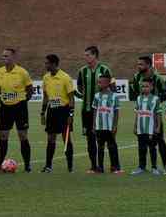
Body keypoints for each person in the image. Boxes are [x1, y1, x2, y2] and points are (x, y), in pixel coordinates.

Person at [0, 49, 33, 173]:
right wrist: (5, 98)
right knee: (3, 136)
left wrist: (23, 101)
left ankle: (27, 166)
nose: (4, 58)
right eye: (3, 56)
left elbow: (29, 89)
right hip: (5, 108)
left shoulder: (22, 72)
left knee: (22, 136)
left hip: (20, 107)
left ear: (13, 57)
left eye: (6, 56)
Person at [129, 56, 166, 172]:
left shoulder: (158, 78)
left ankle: (165, 165)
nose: (138, 67)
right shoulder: (137, 77)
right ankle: (142, 166)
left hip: (155, 115)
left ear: (148, 65)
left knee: (159, 141)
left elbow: (164, 95)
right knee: (142, 142)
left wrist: (154, 105)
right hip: (142, 117)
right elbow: (136, 93)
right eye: (138, 64)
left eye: (141, 64)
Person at [77, 46, 112, 174]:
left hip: (102, 110)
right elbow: (80, 87)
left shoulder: (104, 69)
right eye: (85, 55)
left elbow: (111, 88)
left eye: (87, 55)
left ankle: (113, 165)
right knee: (89, 138)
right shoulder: (82, 71)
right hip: (86, 110)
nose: (85, 57)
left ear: (95, 55)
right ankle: (93, 166)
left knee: (105, 137)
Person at [41, 54, 75, 173]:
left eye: (47, 63)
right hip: (51, 111)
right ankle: (48, 166)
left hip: (63, 111)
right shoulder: (46, 78)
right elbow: (45, 96)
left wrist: (71, 115)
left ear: (54, 64)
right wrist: (42, 112)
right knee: (50, 139)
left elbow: (71, 98)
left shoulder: (65, 77)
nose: (45, 65)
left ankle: (70, 166)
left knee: (66, 139)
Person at [92, 75, 122, 174]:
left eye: (100, 82)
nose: (98, 84)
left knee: (112, 146)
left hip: (109, 127)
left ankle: (115, 167)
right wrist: (94, 124)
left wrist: (115, 126)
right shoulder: (97, 96)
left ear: (106, 83)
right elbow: (95, 110)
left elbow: (116, 112)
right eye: (98, 82)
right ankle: (100, 167)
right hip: (99, 126)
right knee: (100, 147)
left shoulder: (114, 96)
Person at [131, 79, 162, 176]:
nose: (144, 88)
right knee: (141, 149)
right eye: (143, 86)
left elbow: (158, 114)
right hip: (141, 129)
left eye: (146, 86)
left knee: (152, 148)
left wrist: (158, 127)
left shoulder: (155, 99)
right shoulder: (139, 98)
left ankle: (154, 167)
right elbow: (137, 114)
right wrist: (135, 126)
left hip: (151, 129)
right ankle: (141, 167)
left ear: (151, 87)